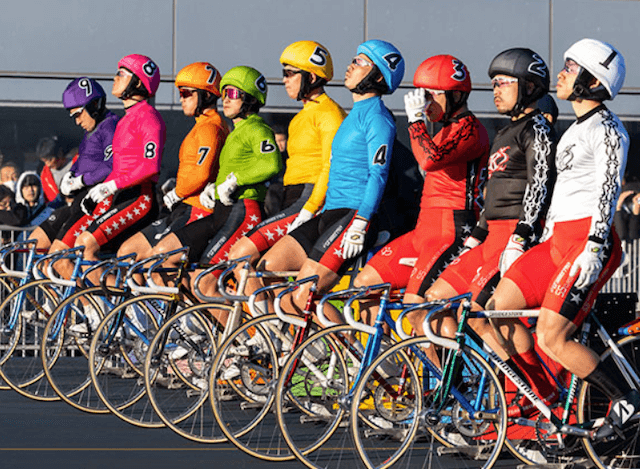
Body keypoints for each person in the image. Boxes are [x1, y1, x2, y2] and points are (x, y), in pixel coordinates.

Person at [485, 39, 638, 436]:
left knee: (551, 335)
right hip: (555, 242)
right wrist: (526, 244)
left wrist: (594, 244)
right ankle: (547, 403)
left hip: (587, 242)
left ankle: (626, 402)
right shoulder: (573, 130)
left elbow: (607, 187)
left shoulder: (608, 127)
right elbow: (562, 193)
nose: (563, 74)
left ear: (593, 80)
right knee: (493, 311)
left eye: (572, 68)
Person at [410, 48, 558, 417]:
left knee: (486, 314)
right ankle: (472, 385)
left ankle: (537, 389)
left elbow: (540, 184)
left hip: (512, 235)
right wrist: (476, 233)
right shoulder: (505, 130)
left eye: (503, 83)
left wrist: (523, 236)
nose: (495, 90)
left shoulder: (537, 127)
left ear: (527, 86)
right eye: (493, 83)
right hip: (489, 233)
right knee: (432, 305)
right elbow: (491, 191)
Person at [255, 39, 404, 322]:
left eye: (360, 62)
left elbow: (378, 173)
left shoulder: (378, 118)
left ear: (377, 75)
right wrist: (310, 210)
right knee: (267, 267)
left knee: (302, 296)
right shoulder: (351, 115)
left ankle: (360, 361)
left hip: (351, 216)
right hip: (330, 212)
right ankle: (302, 350)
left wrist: (362, 221)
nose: (349, 66)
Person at [336, 54, 489, 323]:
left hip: (451, 229)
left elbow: (430, 160)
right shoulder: (442, 130)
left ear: (453, 95)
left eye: (430, 96)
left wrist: (416, 121)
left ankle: (445, 366)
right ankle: (384, 365)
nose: (425, 103)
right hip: (424, 229)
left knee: (417, 308)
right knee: (364, 286)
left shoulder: (470, 129)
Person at [226, 40, 346, 294]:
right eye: (284, 73)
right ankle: (278, 333)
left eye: (290, 73)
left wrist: (310, 208)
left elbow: (330, 165)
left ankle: (261, 334)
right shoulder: (302, 115)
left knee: (239, 256)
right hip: (293, 197)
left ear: (311, 76)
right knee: (270, 277)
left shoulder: (329, 113)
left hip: (310, 199)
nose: (284, 80)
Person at [150, 65, 281, 291]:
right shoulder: (236, 130)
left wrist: (236, 180)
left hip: (244, 209)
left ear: (248, 98)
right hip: (225, 210)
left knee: (204, 281)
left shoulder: (257, 128)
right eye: (224, 93)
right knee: (184, 268)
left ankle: (239, 326)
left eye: (231, 93)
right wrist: (215, 186)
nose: (225, 100)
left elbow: (272, 163)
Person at [58, 54, 165, 286]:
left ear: (138, 83)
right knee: (94, 253)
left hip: (140, 196)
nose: (115, 78)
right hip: (121, 195)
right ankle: (119, 312)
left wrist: (110, 186)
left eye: (122, 74)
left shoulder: (148, 117)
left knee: (85, 245)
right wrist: (98, 195)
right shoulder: (127, 119)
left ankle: (104, 312)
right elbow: (118, 167)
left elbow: (149, 166)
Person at [117, 61, 228, 262]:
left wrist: (177, 192)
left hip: (197, 208)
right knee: (127, 252)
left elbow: (201, 173)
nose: (181, 99)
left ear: (207, 95)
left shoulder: (210, 128)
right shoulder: (200, 126)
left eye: (186, 94)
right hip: (183, 205)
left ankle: (172, 295)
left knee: (158, 261)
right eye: (180, 94)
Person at [29, 77, 119, 253]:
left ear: (93, 106)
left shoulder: (110, 126)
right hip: (76, 203)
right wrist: (70, 175)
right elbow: (83, 161)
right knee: (33, 246)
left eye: (78, 114)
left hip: (94, 204)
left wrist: (82, 180)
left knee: (57, 258)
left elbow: (113, 165)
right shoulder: (91, 130)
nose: (77, 121)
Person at [36, 136, 74, 203]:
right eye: (44, 161)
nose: (48, 164)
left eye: (50, 160)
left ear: (59, 153)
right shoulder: (45, 176)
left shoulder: (76, 164)